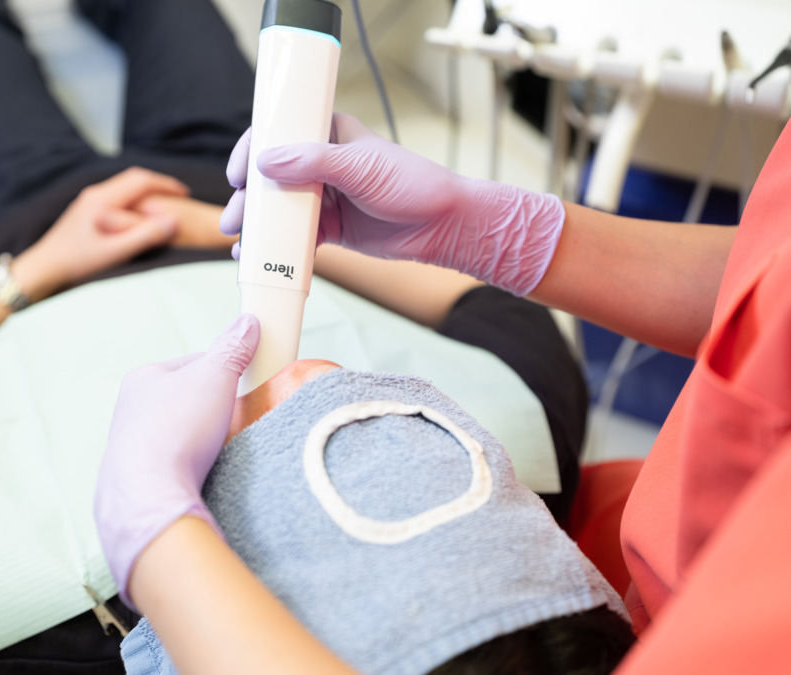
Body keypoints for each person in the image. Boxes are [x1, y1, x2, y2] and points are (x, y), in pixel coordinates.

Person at [0, 0, 589, 671]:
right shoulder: (516, 461)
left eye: (323, 466)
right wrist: (272, 231)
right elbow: (487, 306)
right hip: (238, 193)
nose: (321, 374)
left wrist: (33, 272)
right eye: (377, 428)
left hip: (18, 235)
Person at [215, 111, 791, 671]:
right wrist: (498, 231)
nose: (318, 378)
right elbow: (768, 275)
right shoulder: (540, 404)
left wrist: (160, 541)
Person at [94, 316, 636, 675]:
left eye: (268, 434)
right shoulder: (543, 406)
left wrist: (19, 280)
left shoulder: (62, 638)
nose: (310, 373)